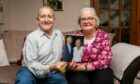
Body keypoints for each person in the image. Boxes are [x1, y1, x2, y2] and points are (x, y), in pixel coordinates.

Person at [15, 6, 68, 84]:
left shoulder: (59, 35)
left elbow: (64, 55)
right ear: (37, 20)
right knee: (24, 82)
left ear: (54, 19)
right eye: (43, 16)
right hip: (30, 71)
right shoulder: (31, 37)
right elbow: (32, 64)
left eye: (49, 16)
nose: (46, 20)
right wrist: (51, 67)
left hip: (52, 73)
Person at [66, 7, 114, 84]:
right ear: (80, 23)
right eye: (83, 19)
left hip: (99, 69)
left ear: (95, 21)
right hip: (78, 70)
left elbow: (106, 60)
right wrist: (70, 65)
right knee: (79, 81)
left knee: (104, 80)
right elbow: (69, 59)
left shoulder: (103, 36)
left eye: (90, 18)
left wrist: (85, 67)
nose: (86, 21)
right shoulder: (74, 36)